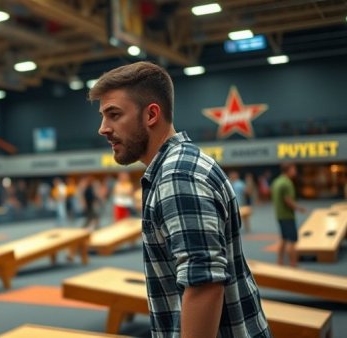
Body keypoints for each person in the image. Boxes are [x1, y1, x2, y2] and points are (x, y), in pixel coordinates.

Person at [90, 61, 271, 337]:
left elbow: (204, 286)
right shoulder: (184, 162)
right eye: (103, 117)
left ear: (151, 114)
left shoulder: (177, 176)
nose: (103, 128)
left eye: (114, 114)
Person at [271, 163, 306, 267]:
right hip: (287, 216)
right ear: (289, 169)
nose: (295, 171)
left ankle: (280, 262)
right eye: (294, 169)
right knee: (292, 241)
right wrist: (299, 208)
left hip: (280, 215)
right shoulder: (287, 183)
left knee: (284, 238)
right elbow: (288, 200)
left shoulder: (276, 181)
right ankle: (293, 265)